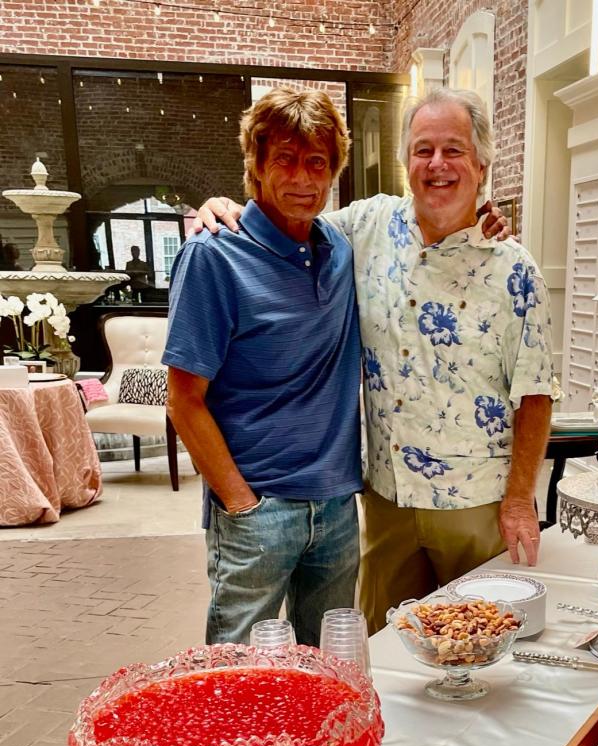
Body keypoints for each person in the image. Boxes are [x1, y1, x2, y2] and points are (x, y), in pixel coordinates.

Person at [195, 88, 554, 632]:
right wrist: (221, 207)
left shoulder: (515, 270)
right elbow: (288, 213)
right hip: (384, 500)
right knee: (385, 647)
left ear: (482, 166)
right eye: (423, 149)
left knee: (481, 641)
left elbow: (535, 392)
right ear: (405, 162)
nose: (437, 165)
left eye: (454, 151)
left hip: (476, 503)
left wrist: (520, 501)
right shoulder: (363, 228)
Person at [163, 88, 363, 647]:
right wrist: (240, 503)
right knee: (235, 679)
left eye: (317, 162)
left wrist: (485, 221)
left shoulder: (339, 249)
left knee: (325, 672)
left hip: (337, 506)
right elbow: (183, 399)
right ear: (255, 165)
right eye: (285, 159)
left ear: (334, 171)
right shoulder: (213, 255)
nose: (303, 177)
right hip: (258, 510)